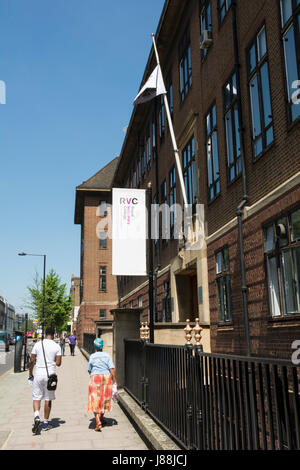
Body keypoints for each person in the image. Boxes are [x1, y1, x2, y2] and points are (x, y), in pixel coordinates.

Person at [28, 327, 62, 434]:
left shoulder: (38, 344)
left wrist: (30, 374)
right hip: (50, 375)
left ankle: (37, 417)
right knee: (48, 399)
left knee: (36, 397)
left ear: (45, 334)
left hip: (38, 374)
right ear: (53, 334)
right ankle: (46, 423)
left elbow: (32, 360)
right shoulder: (56, 346)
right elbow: (58, 363)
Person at [87, 338, 117, 431]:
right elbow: (112, 369)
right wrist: (115, 381)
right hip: (106, 378)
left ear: (95, 346)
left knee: (95, 399)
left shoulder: (92, 356)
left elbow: (89, 369)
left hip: (95, 377)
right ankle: (102, 417)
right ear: (102, 346)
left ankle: (98, 421)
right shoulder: (107, 356)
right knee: (104, 398)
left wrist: (93, 375)